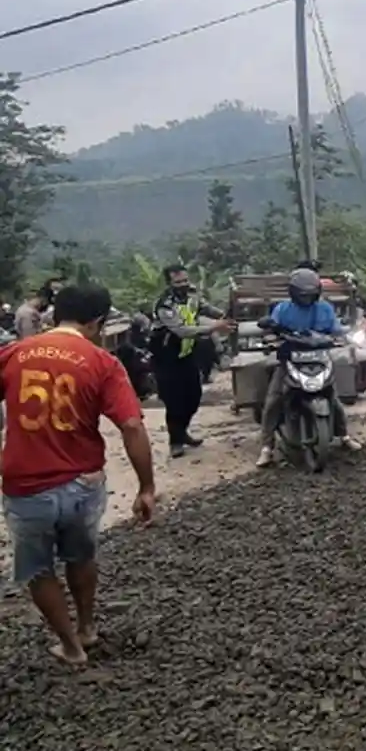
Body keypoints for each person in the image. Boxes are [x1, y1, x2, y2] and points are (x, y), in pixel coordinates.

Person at [0, 283, 157, 666]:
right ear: (98, 322)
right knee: (81, 557)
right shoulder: (102, 362)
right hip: (83, 483)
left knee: (38, 569)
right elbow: (132, 426)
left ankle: (70, 646)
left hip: (26, 486)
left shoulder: (14, 353)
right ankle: (87, 627)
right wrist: (146, 487)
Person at [256, 268, 362, 468]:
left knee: (333, 398)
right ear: (293, 293)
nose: (306, 298)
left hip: (319, 358)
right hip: (290, 359)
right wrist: (270, 337)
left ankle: (344, 436)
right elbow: (270, 329)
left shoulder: (325, 309)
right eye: (302, 294)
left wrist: (345, 335)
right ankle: (267, 448)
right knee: (274, 400)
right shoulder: (282, 309)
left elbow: (336, 329)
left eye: (310, 294)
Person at [149, 264, 234, 458]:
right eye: (178, 282)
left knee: (194, 396)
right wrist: (215, 327)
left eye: (185, 280)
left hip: (186, 353)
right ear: (169, 284)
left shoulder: (192, 294)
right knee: (174, 402)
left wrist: (223, 315)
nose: (183, 285)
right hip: (166, 358)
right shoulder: (164, 305)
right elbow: (181, 330)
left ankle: (182, 432)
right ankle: (175, 441)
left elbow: (205, 308)